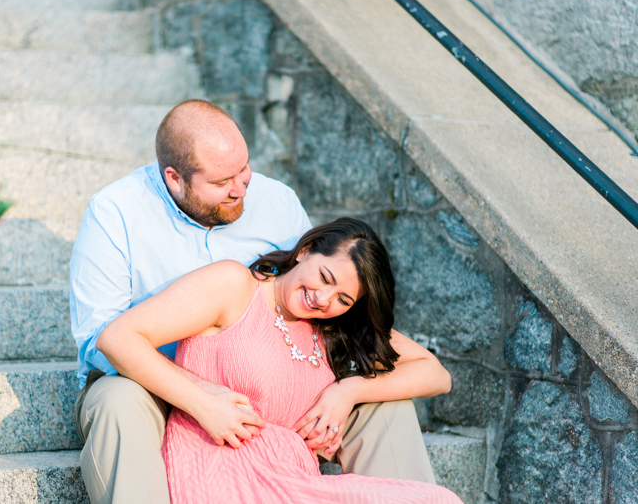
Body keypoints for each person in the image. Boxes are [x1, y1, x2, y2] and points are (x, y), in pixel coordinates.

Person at [70, 99, 448, 504]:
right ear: (175, 179)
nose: (240, 189)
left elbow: (316, 296)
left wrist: (349, 390)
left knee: (384, 401)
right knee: (119, 402)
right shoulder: (115, 212)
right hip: (148, 380)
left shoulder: (277, 201)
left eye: (244, 172)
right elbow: (103, 341)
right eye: (221, 183)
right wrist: (198, 393)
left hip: (271, 392)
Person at [96, 218, 459, 503]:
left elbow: (436, 375)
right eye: (325, 277)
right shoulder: (235, 287)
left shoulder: (333, 329)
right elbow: (117, 338)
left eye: (343, 299)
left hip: (296, 483)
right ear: (306, 251)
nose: (323, 298)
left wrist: (348, 390)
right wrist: (203, 403)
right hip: (217, 468)